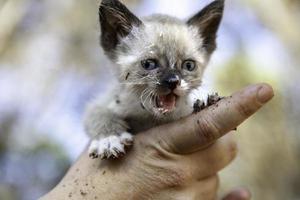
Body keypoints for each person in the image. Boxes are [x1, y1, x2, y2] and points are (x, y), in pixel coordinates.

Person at [40, 83, 274, 200]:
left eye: (188, 65)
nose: (171, 78)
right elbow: (96, 113)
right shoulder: (119, 99)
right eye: (148, 64)